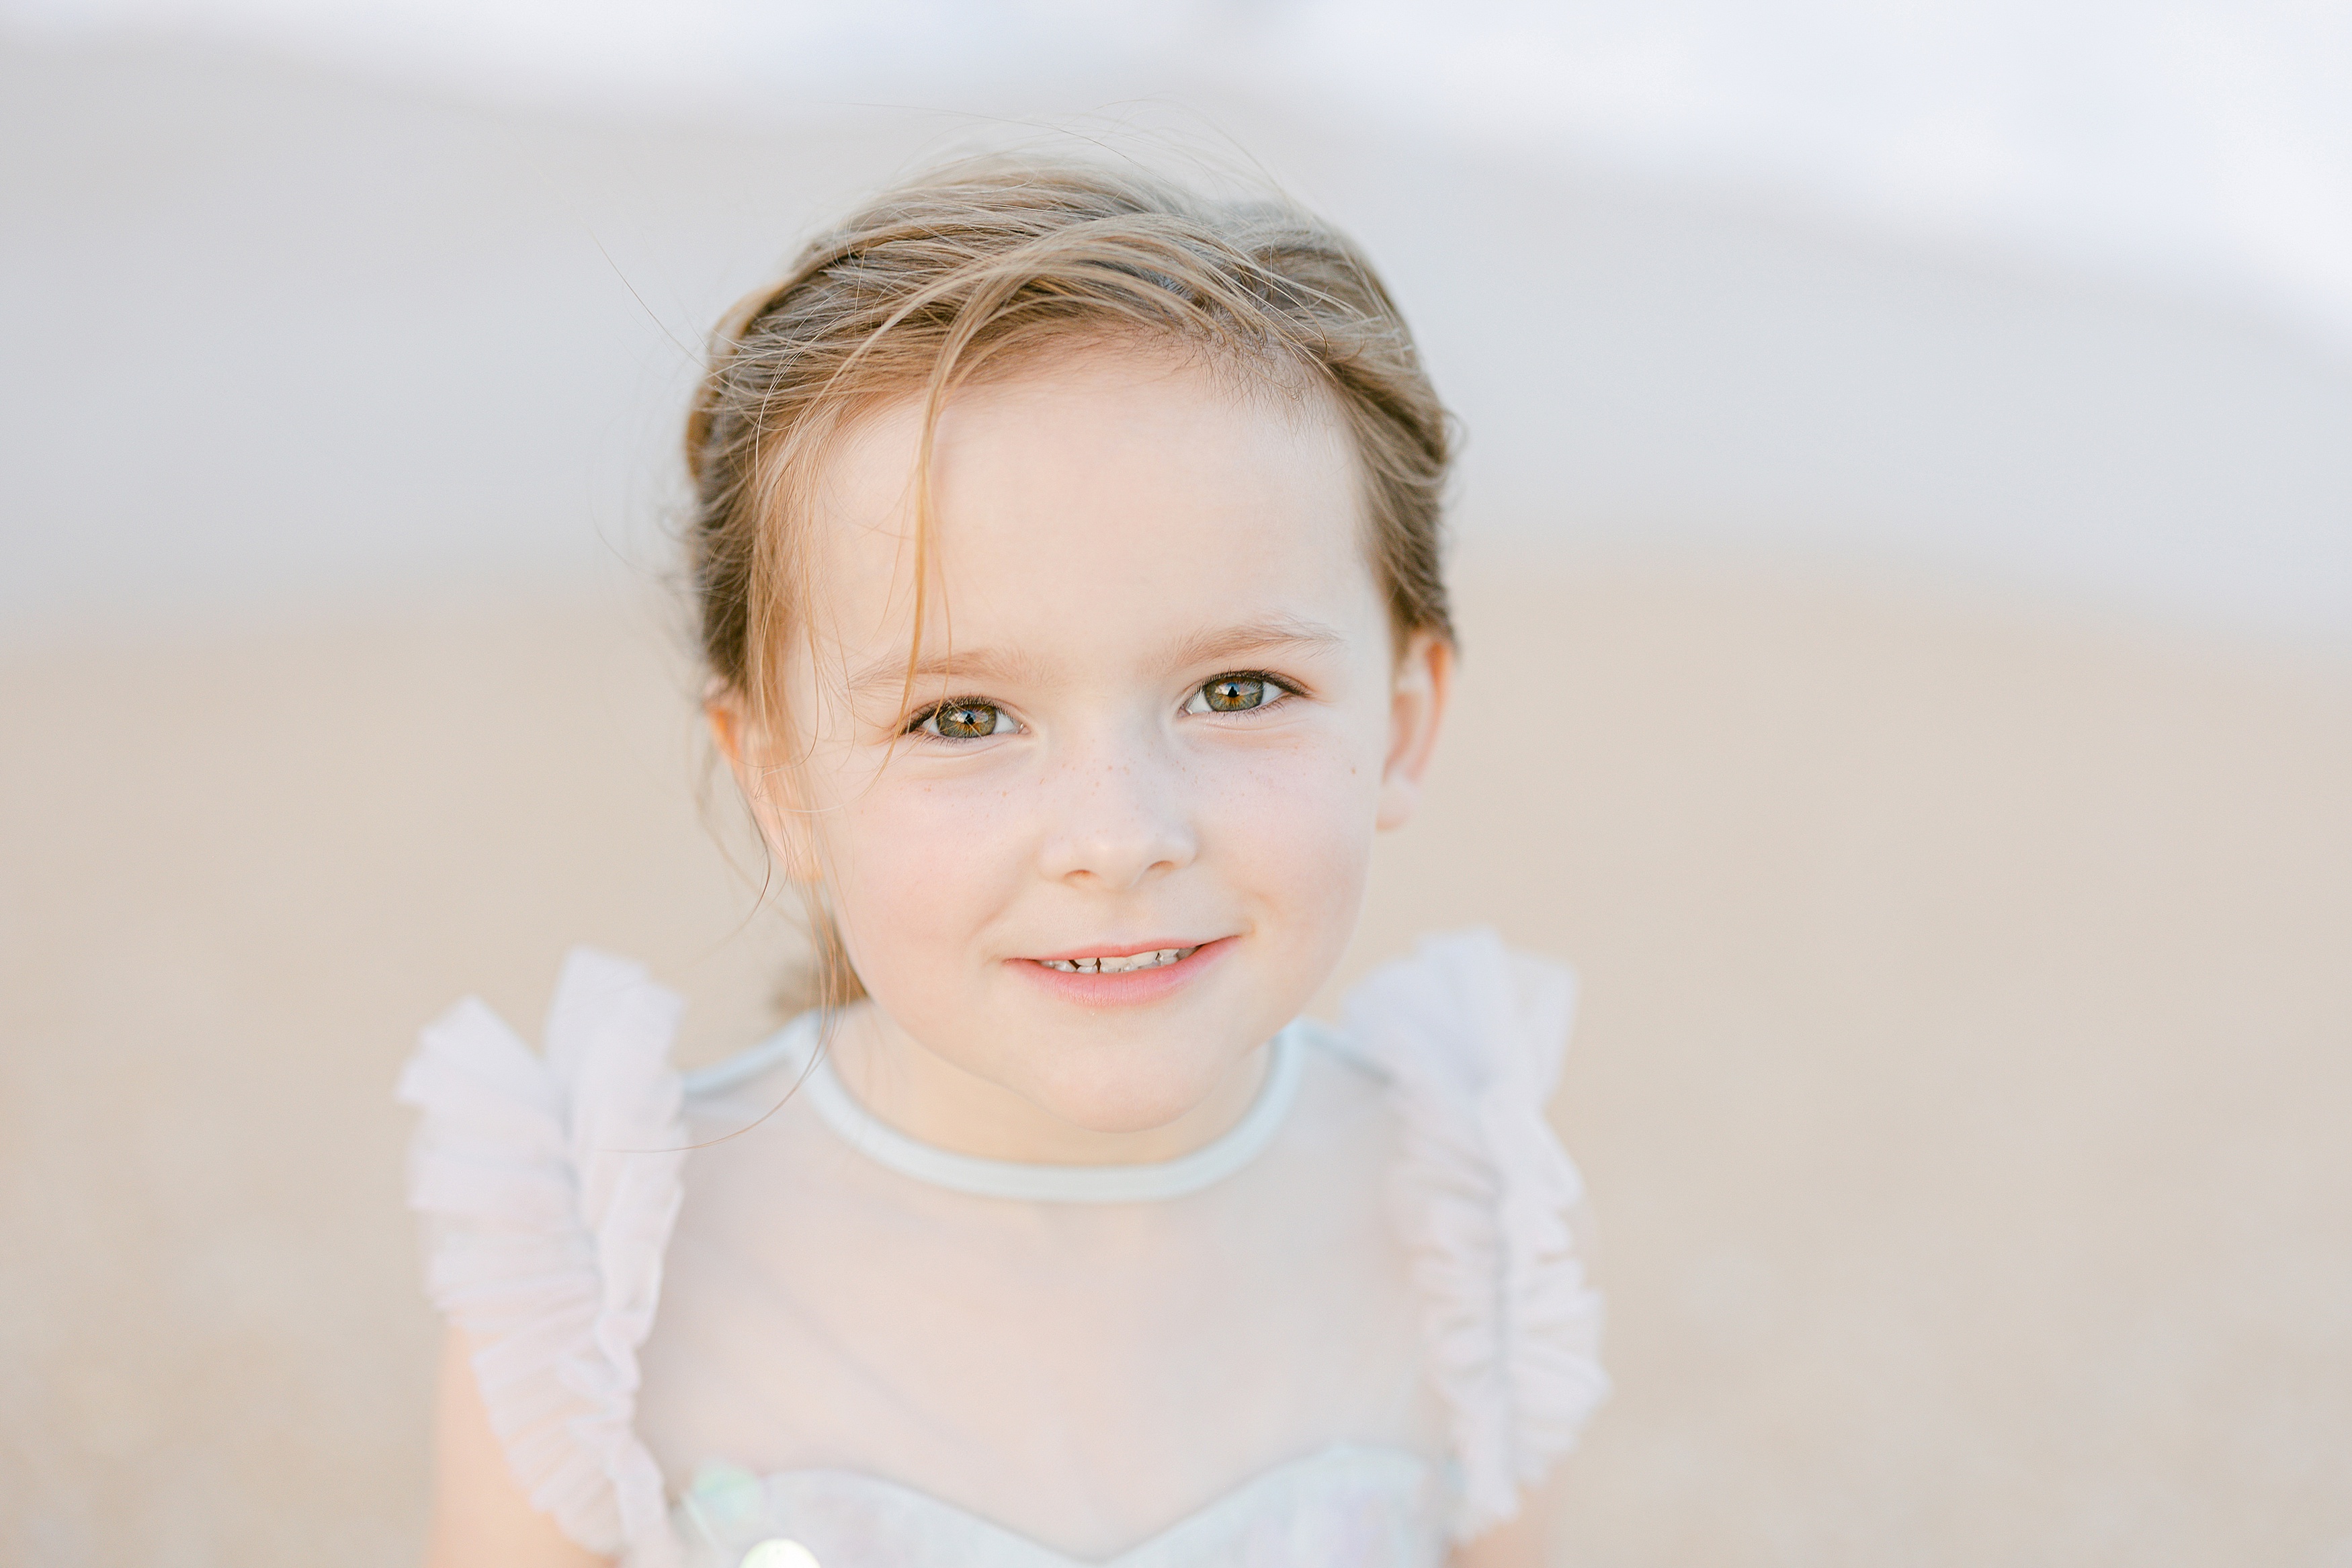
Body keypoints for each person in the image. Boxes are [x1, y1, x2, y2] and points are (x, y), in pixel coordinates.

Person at [399, 155, 1607, 1568]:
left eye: (1236, 691)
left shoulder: (1458, 1226)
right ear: (777, 783)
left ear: (1402, 723)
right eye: (960, 717)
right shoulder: (603, 1304)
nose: (1115, 837)